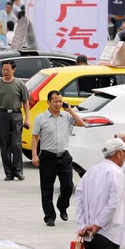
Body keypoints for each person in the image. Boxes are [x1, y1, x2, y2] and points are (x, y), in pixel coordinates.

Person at [32, 91, 85, 226]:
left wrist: (70, 110)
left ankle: (62, 206)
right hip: (47, 157)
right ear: (48, 102)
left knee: (68, 186)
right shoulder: (41, 118)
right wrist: (34, 155)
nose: (58, 104)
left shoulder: (67, 116)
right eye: (55, 101)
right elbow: (35, 137)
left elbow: (81, 123)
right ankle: (49, 216)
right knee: (46, 189)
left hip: (64, 156)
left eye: (60, 101)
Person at [0, 60, 31, 181]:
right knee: (4, 145)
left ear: (14, 70)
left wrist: (28, 118)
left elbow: (25, 102)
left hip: (16, 115)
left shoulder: (20, 84)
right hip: (2, 116)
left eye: (8, 69)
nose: (5, 72)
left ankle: (18, 170)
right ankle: (8, 172)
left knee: (16, 144)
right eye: (4, 69)